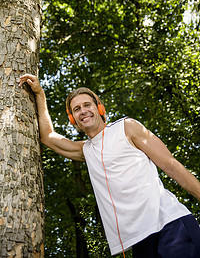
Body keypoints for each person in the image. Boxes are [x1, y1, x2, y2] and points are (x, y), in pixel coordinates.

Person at [18, 74, 200, 258]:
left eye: (87, 105)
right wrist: (40, 94)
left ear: (99, 108)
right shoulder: (85, 150)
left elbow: (171, 165)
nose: (83, 111)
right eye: (77, 109)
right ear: (73, 119)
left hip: (171, 223)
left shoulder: (127, 128)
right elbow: (47, 137)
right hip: (140, 240)